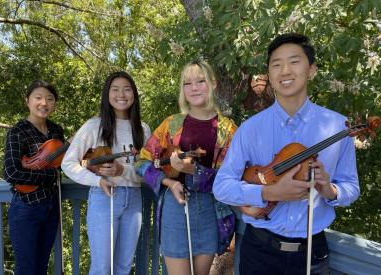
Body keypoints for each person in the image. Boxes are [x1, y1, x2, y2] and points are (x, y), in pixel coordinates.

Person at [213, 33, 360, 275]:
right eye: (276, 64)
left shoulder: (339, 127)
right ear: (269, 75)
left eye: (294, 61)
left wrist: (328, 190)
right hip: (259, 249)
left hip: (312, 253)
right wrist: (267, 192)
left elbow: (351, 187)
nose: (285, 71)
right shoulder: (250, 128)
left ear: (311, 69)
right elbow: (222, 187)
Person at [135, 60, 237, 275]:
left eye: (201, 81)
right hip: (176, 207)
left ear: (213, 84)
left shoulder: (228, 129)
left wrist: (196, 172)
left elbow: (231, 178)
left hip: (210, 208)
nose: (194, 87)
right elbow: (142, 162)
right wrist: (169, 182)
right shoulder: (172, 124)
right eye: (187, 83)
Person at [61, 71, 151, 275]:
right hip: (104, 197)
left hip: (134, 199)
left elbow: (148, 171)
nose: (121, 94)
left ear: (134, 95)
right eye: (115, 89)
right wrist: (96, 181)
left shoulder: (143, 129)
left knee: (124, 267)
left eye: (127, 89)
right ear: (107, 94)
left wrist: (123, 170)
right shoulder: (94, 126)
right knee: (102, 268)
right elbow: (68, 163)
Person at [4, 80, 65, 275]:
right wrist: (48, 176)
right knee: (26, 268)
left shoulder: (57, 131)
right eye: (38, 98)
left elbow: (62, 164)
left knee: (41, 267)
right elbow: (11, 172)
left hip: (51, 206)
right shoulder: (17, 131)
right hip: (26, 207)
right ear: (27, 101)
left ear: (54, 103)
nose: (44, 103)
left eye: (49, 99)